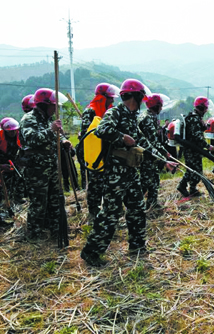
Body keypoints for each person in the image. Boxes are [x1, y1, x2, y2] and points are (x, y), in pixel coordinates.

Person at [81, 79, 177, 266]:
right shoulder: (115, 112)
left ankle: (137, 246)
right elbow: (102, 130)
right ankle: (91, 252)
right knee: (111, 212)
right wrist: (121, 138)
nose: (142, 101)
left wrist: (164, 161)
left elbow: (144, 144)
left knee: (137, 209)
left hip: (131, 173)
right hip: (115, 174)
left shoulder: (133, 117)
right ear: (135, 96)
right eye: (141, 97)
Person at [19, 88, 72, 241]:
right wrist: (51, 130)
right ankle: (35, 234)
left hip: (51, 167)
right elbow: (32, 139)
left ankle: (56, 230)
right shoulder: (29, 119)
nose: (55, 109)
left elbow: (55, 136)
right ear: (44, 105)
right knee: (39, 203)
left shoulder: (48, 119)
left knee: (55, 199)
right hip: (36, 169)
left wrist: (63, 141)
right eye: (53, 106)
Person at [80, 83, 120, 220]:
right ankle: (93, 211)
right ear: (102, 98)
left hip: (107, 152)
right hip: (95, 153)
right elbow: (87, 133)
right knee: (95, 184)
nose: (112, 101)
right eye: (110, 98)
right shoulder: (90, 111)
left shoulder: (108, 111)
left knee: (108, 182)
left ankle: (108, 211)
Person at [139, 93, 172, 209]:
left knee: (154, 180)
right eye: (160, 106)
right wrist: (164, 154)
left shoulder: (149, 117)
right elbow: (152, 142)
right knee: (146, 181)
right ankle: (137, 206)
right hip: (147, 155)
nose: (161, 108)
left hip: (151, 154)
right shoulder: (147, 119)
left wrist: (164, 153)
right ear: (156, 106)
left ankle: (152, 203)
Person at [176, 96, 214, 197]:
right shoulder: (194, 118)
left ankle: (188, 187)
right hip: (192, 149)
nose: (206, 111)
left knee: (192, 169)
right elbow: (196, 136)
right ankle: (188, 188)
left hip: (192, 149)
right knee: (196, 170)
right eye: (206, 108)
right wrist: (207, 146)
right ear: (202, 108)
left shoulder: (195, 117)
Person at [0, 118, 25, 212]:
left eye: (14, 131)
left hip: (12, 161)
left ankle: (18, 200)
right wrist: (1, 166)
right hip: (2, 163)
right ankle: (4, 206)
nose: (13, 133)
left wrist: (19, 162)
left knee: (19, 177)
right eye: (10, 132)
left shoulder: (20, 136)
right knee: (3, 187)